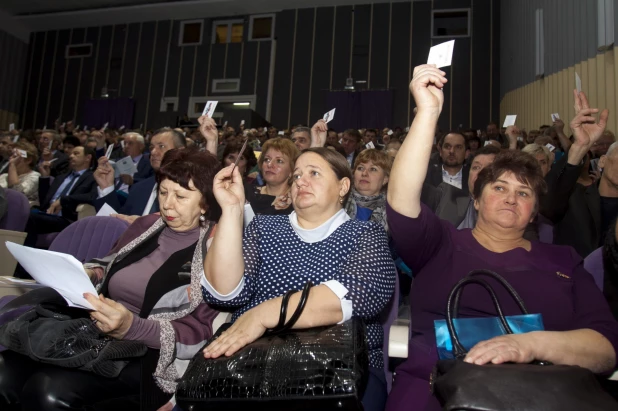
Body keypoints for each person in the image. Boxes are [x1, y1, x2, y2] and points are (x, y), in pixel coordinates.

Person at [385, 65, 618, 411]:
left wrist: (530, 346)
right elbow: (402, 202)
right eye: (499, 188)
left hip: (537, 395)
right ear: (476, 201)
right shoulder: (441, 245)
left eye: (524, 193)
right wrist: (428, 113)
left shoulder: (563, 261)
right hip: (432, 393)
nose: (511, 198)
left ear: (535, 211)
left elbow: (604, 346)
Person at [0, 147, 221, 411]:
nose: (167, 204)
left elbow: (200, 333)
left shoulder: (216, 248)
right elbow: (110, 264)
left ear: (206, 201)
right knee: (4, 375)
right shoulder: (146, 226)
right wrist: (90, 272)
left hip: (150, 355)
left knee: (47, 391)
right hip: (94, 334)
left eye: (180, 196)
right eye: (163, 192)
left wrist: (132, 327)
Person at [202, 147, 396, 411]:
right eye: (296, 176)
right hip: (253, 363)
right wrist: (231, 209)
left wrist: (262, 315)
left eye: (314, 173)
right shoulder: (264, 227)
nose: (301, 181)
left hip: (340, 370)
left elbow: (359, 293)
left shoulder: (365, 233)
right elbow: (223, 293)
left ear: (343, 186)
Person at [93, 128, 188, 224]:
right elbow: (118, 221)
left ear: (180, 151)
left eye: (161, 146)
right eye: (151, 148)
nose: (154, 152)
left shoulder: (191, 189)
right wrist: (106, 187)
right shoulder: (140, 187)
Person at [22, 146, 97, 249]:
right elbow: (44, 201)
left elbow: (92, 196)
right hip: (47, 214)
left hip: (66, 218)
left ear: (88, 158)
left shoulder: (93, 177)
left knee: (29, 218)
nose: (71, 156)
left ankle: (23, 257)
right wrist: (45, 177)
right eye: (71, 153)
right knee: (20, 213)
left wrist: (63, 200)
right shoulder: (61, 177)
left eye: (76, 153)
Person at [421, 145, 501, 228]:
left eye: (489, 167)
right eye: (476, 167)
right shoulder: (446, 199)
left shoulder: (512, 212)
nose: (481, 172)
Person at [244, 137, 299, 215]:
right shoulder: (246, 192)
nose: (270, 165)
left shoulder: (298, 201)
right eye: (267, 159)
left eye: (279, 161)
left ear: (292, 170)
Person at [344, 148, 391, 231]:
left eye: (373, 169)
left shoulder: (392, 212)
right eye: (360, 168)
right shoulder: (338, 200)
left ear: (385, 179)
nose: (364, 173)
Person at [0, 141, 41, 206]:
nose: (11, 159)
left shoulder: (35, 176)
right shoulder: (4, 176)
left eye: (15, 156)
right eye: (11, 155)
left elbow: (15, 195)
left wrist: (12, 165)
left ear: (28, 160)